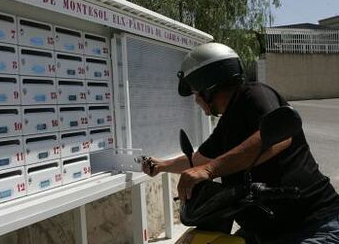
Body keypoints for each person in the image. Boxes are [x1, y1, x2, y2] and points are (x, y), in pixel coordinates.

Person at [142, 42, 339, 243]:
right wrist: (160, 166)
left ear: (208, 87)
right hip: (266, 231)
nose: (196, 101)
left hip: (313, 225)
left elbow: (278, 139)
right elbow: (199, 160)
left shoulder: (255, 94)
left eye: (195, 93)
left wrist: (210, 170)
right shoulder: (228, 122)